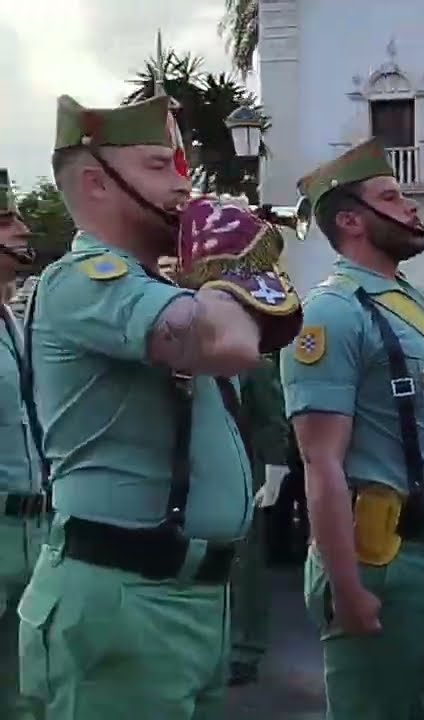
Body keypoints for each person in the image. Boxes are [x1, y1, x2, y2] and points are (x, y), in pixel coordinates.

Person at [22, 95, 301, 719]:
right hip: (126, 597)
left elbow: (270, 326)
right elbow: (229, 341)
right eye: (159, 167)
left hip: (184, 596)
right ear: (96, 182)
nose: (184, 187)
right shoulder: (83, 278)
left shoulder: (155, 286)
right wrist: (230, 263)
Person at [280, 138, 424, 720]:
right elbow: (321, 461)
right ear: (350, 220)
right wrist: (347, 588)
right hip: (387, 557)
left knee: (418, 707)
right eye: (391, 197)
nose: (413, 207)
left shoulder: (400, 300)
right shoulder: (332, 312)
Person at [0, 167, 42, 720]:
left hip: (33, 532)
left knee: (29, 697)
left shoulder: (15, 316)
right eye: (5, 219)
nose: (23, 228)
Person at [228, 353, 290, 687]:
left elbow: (272, 423)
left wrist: (274, 473)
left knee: (246, 562)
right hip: (200, 469)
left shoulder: (253, 363)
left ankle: (245, 649)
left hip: (244, 468)